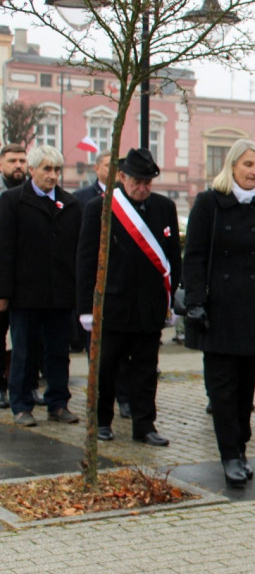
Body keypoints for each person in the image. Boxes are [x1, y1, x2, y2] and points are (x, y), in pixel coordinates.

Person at [182, 139, 255, 487]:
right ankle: (229, 454)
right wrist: (195, 301)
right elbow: (194, 255)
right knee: (223, 390)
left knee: (246, 388)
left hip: (253, 309)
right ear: (232, 167)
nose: (254, 172)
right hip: (218, 310)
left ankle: (240, 447)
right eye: (248, 165)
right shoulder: (209, 203)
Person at [76, 148, 180, 446]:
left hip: (149, 305)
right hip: (113, 303)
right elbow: (86, 260)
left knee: (147, 369)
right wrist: (86, 308)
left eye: (148, 182)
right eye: (137, 181)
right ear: (122, 177)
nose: (143, 187)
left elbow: (172, 258)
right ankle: (101, 421)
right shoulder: (101, 207)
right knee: (106, 367)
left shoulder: (164, 208)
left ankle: (144, 424)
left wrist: (170, 299)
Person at [0, 145, 82, 426]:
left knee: (59, 352)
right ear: (32, 170)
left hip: (60, 295)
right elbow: (5, 250)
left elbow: (77, 251)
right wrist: (3, 292)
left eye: (57, 169)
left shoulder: (71, 204)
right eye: (47, 169)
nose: (53, 175)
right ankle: (21, 404)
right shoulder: (12, 201)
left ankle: (58, 403)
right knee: (23, 352)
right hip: (26, 294)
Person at [73, 150, 130, 411]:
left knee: (124, 353)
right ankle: (98, 402)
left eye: (117, 166)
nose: (113, 171)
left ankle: (125, 398)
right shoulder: (82, 200)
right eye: (108, 165)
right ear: (96, 168)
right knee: (100, 353)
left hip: (122, 285)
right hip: (97, 284)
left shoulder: (129, 197)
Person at [0, 143, 30, 410]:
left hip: (25, 278)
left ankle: (26, 387)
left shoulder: (32, 194)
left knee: (25, 339)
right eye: (12, 161)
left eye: (22, 160)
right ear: (1, 165)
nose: (18, 165)